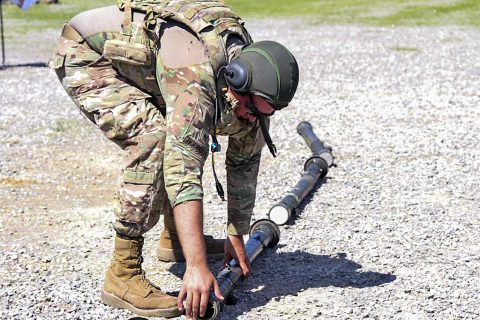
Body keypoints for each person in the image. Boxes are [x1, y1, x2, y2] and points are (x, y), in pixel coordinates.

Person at [49, 1, 299, 319]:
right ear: (236, 81)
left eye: (265, 112)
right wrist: (196, 266)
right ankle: (122, 274)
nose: (254, 118)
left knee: (190, 128)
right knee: (153, 138)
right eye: (253, 109)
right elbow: (184, 167)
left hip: (150, 64)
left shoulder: (254, 87)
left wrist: (238, 231)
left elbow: (244, 161)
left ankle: (175, 238)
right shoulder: (197, 76)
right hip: (89, 54)